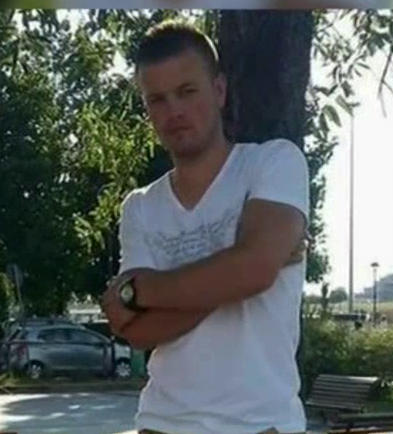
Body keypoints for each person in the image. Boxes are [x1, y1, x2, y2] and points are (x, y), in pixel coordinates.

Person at [101, 21, 309, 434]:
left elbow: (254, 269)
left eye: (187, 91)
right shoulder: (140, 207)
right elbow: (138, 332)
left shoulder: (273, 163)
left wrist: (139, 291)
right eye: (157, 99)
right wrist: (237, 275)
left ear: (219, 90)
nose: (174, 111)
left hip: (260, 425)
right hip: (161, 424)